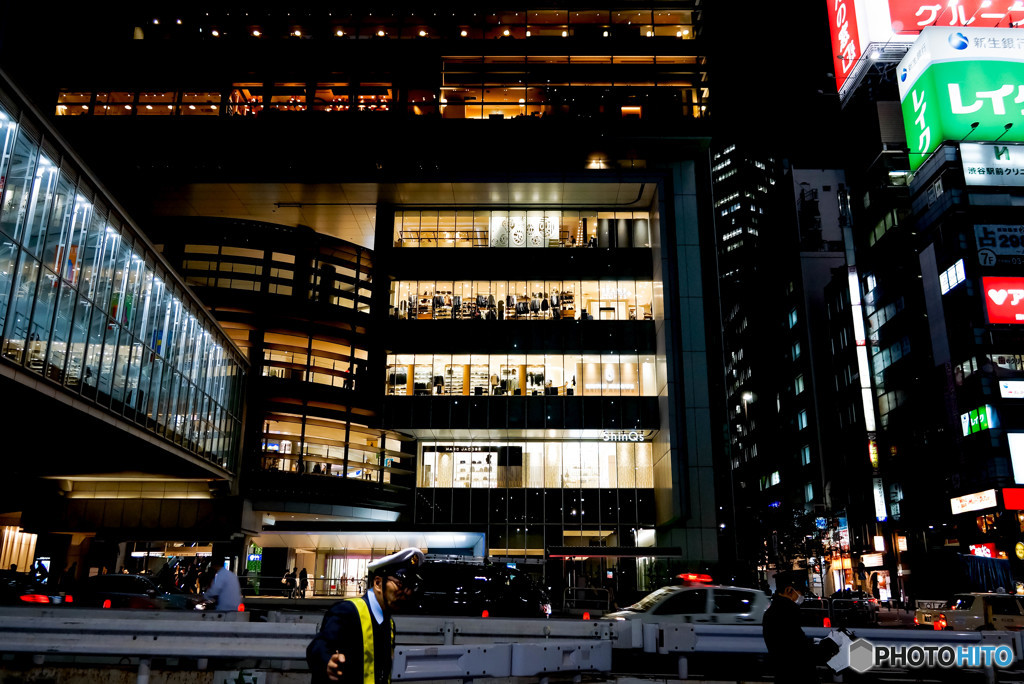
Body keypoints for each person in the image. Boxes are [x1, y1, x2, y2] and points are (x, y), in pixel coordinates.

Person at [307, 547, 424, 684]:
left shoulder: (389, 623)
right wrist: (327, 661)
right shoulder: (347, 611)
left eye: (411, 586)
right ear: (378, 583)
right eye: (401, 584)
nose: (407, 593)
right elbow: (319, 645)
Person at [762, 570, 839, 684]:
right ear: (789, 590)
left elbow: (792, 645)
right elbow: (802, 654)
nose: (802, 596)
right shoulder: (786, 613)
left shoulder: (773, 612)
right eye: (801, 592)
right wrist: (830, 644)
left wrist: (811, 642)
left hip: (784, 675)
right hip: (798, 677)